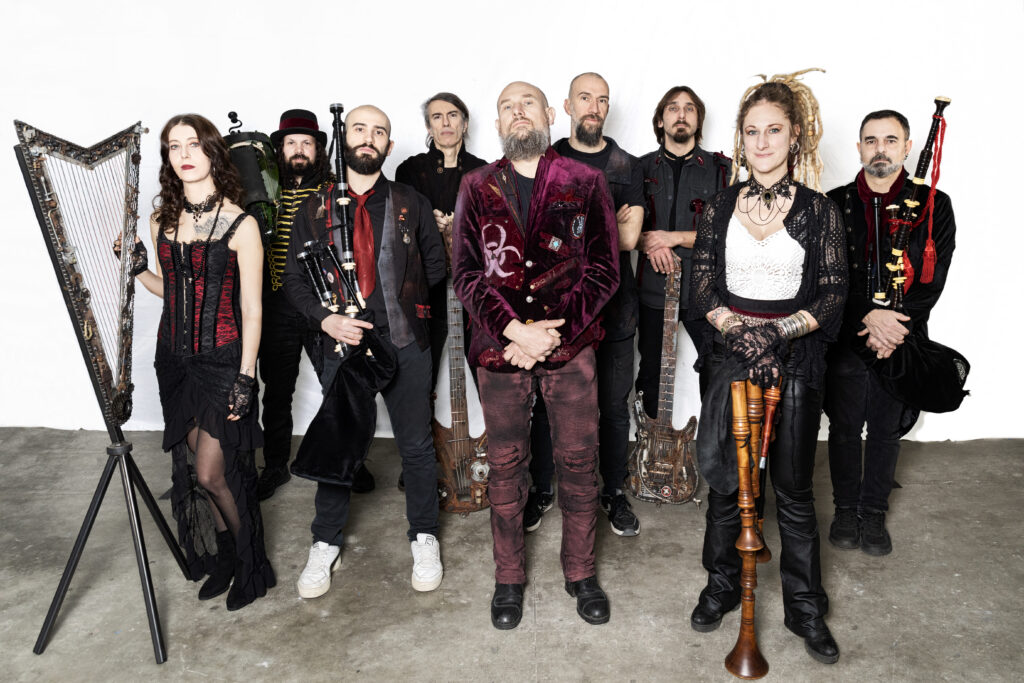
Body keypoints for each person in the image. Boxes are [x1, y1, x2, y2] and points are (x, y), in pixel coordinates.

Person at [688, 74, 847, 664]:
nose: (761, 142)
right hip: (730, 355)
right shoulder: (720, 206)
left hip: (795, 358)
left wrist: (775, 334)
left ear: (794, 135)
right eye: (751, 131)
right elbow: (703, 282)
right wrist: (739, 333)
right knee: (727, 483)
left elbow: (832, 293)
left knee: (793, 490)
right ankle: (721, 585)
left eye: (773, 130)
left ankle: (804, 606)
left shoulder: (819, 211)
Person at [452, 81, 620, 629]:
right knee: (504, 469)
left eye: (527, 103)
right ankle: (508, 579)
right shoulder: (475, 185)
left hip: (570, 351)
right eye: (507, 106)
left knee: (579, 464)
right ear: (498, 122)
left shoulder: (586, 181)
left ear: (549, 113)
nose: (518, 112)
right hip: (499, 352)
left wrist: (551, 334)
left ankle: (581, 572)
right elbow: (467, 274)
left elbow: (604, 270)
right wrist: (514, 331)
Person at [283, 105, 446, 598]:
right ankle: (324, 542)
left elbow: (435, 266)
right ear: (345, 140)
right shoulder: (314, 208)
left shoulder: (411, 201)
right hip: (343, 342)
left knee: (416, 445)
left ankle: (424, 535)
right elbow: (293, 279)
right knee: (340, 444)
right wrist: (327, 318)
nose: (369, 138)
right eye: (360, 129)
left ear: (389, 146)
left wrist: (401, 304)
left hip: (404, 341)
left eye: (379, 132)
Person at [126, 113, 276, 610]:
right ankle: (227, 557)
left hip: (223, 362)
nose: (184, 154)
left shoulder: (242, 223)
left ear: (213, 151)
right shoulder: (161, 220)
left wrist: (246, 378)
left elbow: (252, 309)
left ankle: (252, 565)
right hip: (174, 361)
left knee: (215, 473)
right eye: (174, 146)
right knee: (199, 469)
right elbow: (172, 292)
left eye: (193, 144)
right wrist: (138, 269)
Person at [824, 110, 956, 556]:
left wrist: (893, 327)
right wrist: (868, 318)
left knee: (884, 429)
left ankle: (873, 512)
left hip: (901, 336)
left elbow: (932, 282)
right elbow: (829, 278)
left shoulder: (935, 206)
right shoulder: (834, 203)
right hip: (849, 333)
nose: (880, 149)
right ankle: (845, 509)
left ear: (907, 147)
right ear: (859, 148)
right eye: (871, 140)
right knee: (844, 428)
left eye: (890, 140)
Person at [524, 72, 645, 537]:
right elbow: (534, 235)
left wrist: (572, 229)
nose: (594, 107)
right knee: (545, 403)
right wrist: (604, 220)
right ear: (568, 106)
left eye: (603, 100)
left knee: (612, 406)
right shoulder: (545, 159)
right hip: (555, 310)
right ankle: (541, 487)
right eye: (585, 98)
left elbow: (629, 240)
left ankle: (612, 492)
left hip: (615, 309)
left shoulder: (626, 165)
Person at [257, 108, 375, 500]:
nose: (298, 149)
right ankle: (275, 465)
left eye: (306, 143)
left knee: (339, 384)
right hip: (277, 306)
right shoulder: (265, 194)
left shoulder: (332, 191)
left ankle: (350, 462)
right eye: (291, 142)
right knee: (277, 392)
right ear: (280, 149)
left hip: (324, 304)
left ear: (317, 149)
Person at [395, 93, 487, 491]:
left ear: (465, 123)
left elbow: (493, 227)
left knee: (485, 366)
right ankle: (419, 459)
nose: (446, 123)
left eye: (453, 116)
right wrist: (430, 226)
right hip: (426, 286)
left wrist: (460, 226)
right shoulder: (410, 170)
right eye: (437, 117)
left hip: (474, 284)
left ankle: (498, 451)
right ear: (428, 125)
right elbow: (400, 224)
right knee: (422, 374)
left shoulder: (484, 170)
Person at [635, 85, 731, 411]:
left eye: (689, 108)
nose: (681, 114)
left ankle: (713, 441)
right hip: (653, 291)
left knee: (717, 374)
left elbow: (728, 233)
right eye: (673, 108)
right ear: (660, 120)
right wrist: (648, 241)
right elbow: (620, 229)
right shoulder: (639, 169)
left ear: (698, 120)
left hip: (705, 292)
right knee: (651, 375)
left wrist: (673, 237)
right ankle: (650, 440)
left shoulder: (723, 170)